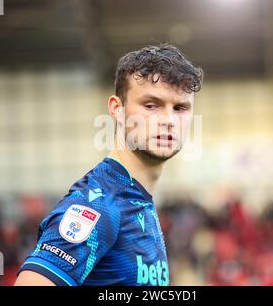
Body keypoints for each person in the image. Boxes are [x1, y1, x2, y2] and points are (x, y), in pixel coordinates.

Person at [14, 44, 203, 286]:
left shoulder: (136, 199)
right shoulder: (99, 205)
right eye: (151, 105)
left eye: (180, 108)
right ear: (117, 109)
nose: (168, 120)